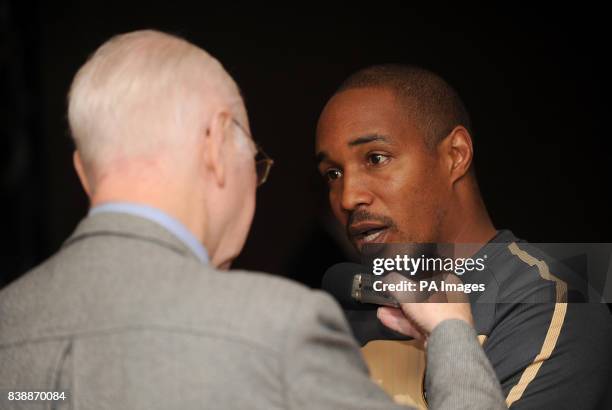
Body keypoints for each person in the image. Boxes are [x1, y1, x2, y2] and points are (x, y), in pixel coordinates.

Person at [0, 31, 506, 409]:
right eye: (255, 161)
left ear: (85, 174)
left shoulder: (8, 320)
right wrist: (451, 335)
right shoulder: (278, 329)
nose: (349, 196)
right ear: (218, 146)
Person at [315, 64, 612, 409]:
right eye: (332, 174)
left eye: (376, 158)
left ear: (455, 155)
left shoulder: (552, 298)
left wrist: (450, 341)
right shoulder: (350, 315)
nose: (348, 197)